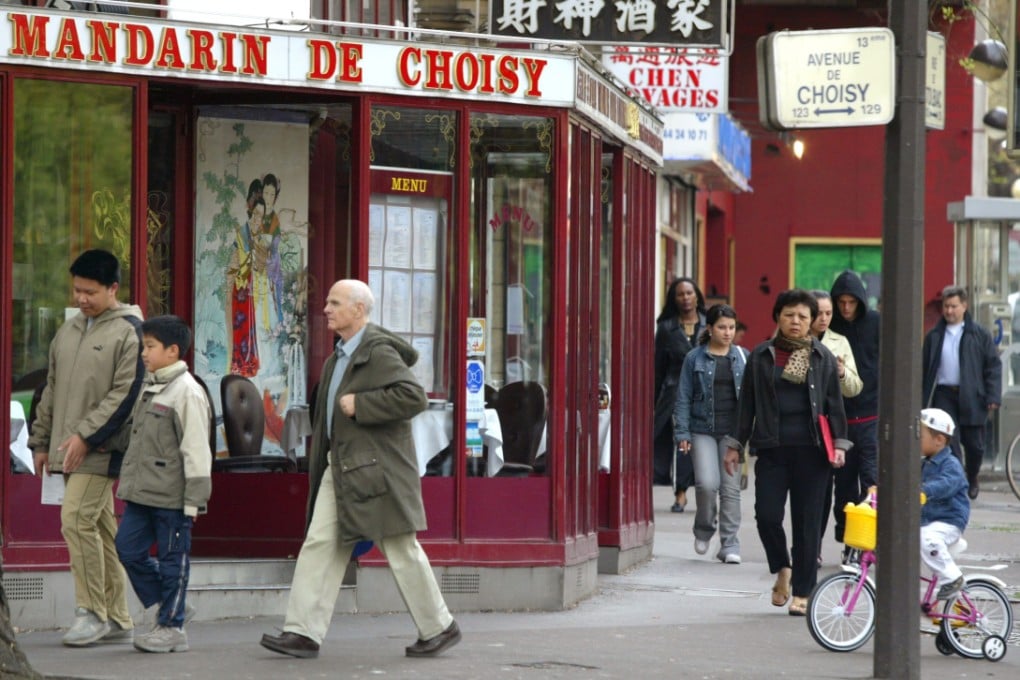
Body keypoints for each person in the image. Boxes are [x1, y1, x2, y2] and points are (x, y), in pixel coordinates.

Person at [260, 279, 460, 659]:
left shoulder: (377, 352)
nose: (326, 309)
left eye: (335, 303)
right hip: (344, 468)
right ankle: (302, 632)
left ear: (359, 310)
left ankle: (439, 626)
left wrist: (362, 405)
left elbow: (413, 397)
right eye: (328, 302)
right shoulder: (340, 356)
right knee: (321, 544)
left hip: (376, 471)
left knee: (400, 547)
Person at [29, 249, 143, 647]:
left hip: (103, 449)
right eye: (76, 290)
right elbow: (51, 389)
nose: (80, 298)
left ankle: (90, 612)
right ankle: (117, 616)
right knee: (98, 527)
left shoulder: (130, 332)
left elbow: (125, 396)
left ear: (113, 289)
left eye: (90, 292)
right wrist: (41, 441)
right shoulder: (70, 330)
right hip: (67, 446)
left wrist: (85, 437)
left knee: (75, 519)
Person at [723, 289, 849, 616]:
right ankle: (782, 567)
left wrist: (840, 444)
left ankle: (804, 592)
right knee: (766, 516)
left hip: (814, 452)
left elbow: (834, 405)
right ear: (777, 316)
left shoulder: (821, 357)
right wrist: (736, 444)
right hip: (772, 450)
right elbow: (746, 405)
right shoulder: (761, 356)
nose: (796, 322)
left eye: (803, 317)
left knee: (808, 524)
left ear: (812, 323)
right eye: (789, 315)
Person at [114, 315, 212, 654]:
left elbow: (197, 449)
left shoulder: (187, 392)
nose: (144, 353)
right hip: (142, 493)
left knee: (173, 561)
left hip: (172, 498)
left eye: (150, 347)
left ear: (173, 351)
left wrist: (194, 501)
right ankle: (171, 605)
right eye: (144, 346)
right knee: (126, 548)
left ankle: (172, 628)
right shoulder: (150, 385)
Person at [672, 304, 747, 564]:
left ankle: (729, 544)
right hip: (701, 429)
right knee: (706, 483)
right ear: (710, 329)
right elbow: (683, 397)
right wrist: (682, 432)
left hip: (731, 433)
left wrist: (747, 437)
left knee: (730, 489)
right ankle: (704, 528)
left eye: (731, 327)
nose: (727, 333)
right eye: (722, 327)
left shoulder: (742, 357)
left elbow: (751, 401)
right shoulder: (695, 358)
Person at [921, 285, 1001, 500]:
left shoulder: (979, 334)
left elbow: (992, 365)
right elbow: (924, 368)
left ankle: (972, 475)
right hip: (944, 394)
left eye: (954, 306)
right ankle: (960, 484)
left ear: (964, 306)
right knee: (949, 441)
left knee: (975, 445)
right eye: (946, 307)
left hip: (972, 395)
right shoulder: (934, 336)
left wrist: (993, 395)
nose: (949, 311)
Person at [828, 270, 880, 562]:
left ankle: (868, 543)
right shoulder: (830, 327)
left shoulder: (875, 323)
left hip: (872, 415)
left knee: (871, 481)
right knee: (844, 487)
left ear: (860, 301)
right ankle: (848, 540)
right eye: (841, 302)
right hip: (841, 420)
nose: (846, 308)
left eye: (851, 302)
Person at [811, 290, 863, 556]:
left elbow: (855, 387)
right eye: (818, 313)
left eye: (828, 313)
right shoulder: (796, 338)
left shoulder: (839, 342)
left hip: (835, 427)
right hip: (807, 428)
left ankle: (849, 546)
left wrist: (842, 372)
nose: (823, 318)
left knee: (844, 491)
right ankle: (812, 548)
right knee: (815, 495)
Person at [654, 277, 707, 512]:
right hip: (675, 392)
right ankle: (681, 492)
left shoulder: (709, 324)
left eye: (689, 293)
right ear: (673, 299)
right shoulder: (666, 328)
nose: (685, 298)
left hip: (705, 393)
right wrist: (654, 400)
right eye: (680, 294)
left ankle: (703, 489)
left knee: (702, 443)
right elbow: (658, 367)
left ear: (697, 296)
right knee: (682, 441)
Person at [918, 408, 970, 599]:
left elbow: (946, 484)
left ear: (939, 439)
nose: (917, 439)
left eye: (920, 435)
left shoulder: (951, 464)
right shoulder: (925, 463)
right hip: (930, 519)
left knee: (925, 537)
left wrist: (924, 491)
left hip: (948, 520)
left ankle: (953, 578)